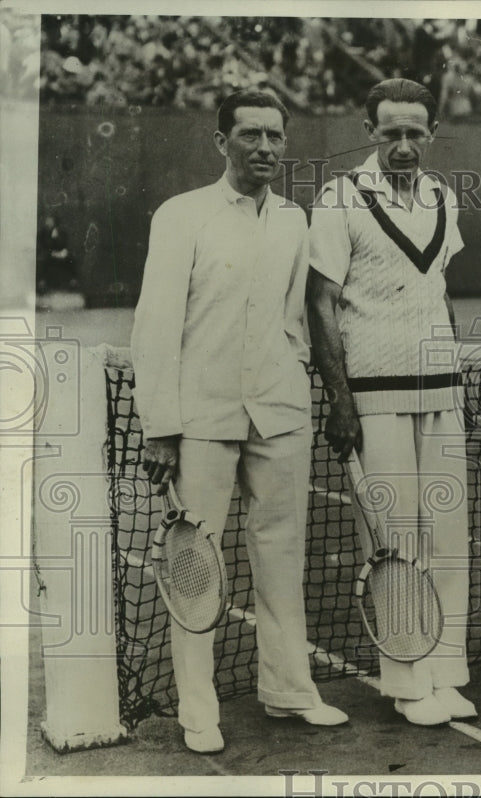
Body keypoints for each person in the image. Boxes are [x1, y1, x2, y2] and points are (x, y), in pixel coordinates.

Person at [131, 90, 348, 753]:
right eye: (250, 134)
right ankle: (198, 710)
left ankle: (289, 692)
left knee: (283, 558)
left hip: (279, 413)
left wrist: (291, 378)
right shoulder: (182, 215)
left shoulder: (293, 220)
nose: (264, 147)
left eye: (275, 136)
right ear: (221, 140)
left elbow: (293, 317)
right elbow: (157, 324)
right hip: (201, 420)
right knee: (195, 564)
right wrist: (162, 427)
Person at [307, 78, 475, 726]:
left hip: (439, 390)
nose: (404, 144)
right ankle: (407, 680)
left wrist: (455, 372)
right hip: (373, 397)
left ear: (431, 133)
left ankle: (445, 669)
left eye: (415, 132)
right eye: (391, 133)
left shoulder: (440, 196)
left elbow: (439, 289)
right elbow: (319, 302)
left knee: (448, 537)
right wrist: (340, 400)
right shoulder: (338, 198)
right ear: (371, 132)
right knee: (394, 537)